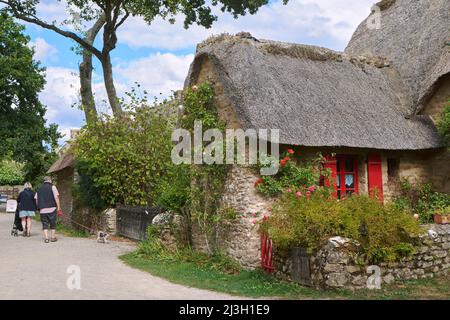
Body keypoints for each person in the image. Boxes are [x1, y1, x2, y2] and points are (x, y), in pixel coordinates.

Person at [35, 176, 61, 243]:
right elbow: (56, 197)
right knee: (53, 223)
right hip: (52, 208)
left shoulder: (39, 188)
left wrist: (38, 207)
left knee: (44, 224)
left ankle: (46, 238)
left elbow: (36, 199)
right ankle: (52, 237)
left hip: (42, 210)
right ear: (50, 180)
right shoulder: (53, 187)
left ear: (44, 181)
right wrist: (59, 207)